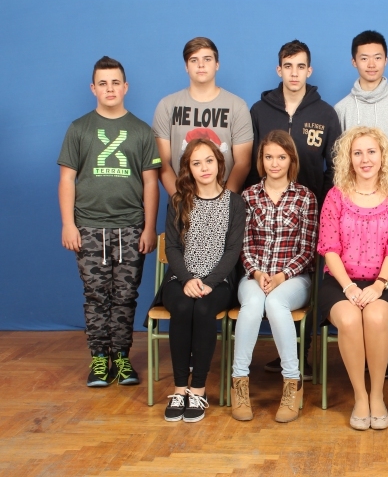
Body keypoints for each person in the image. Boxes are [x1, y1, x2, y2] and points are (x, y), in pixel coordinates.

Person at [58, 56, 160, 387]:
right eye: (103, 83)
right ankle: (100, 358)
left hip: (130, 227)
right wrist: (68, 224)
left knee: (126, 295)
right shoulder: (79, 128)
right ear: (93, 88)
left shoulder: (141, 131)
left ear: (125, 86)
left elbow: (150, 183)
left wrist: (148, 227)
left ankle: (122, 357)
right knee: (96, 295)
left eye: (115, 82)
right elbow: (67, 179)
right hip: (89, 226)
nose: (110, 88)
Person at [244, 39, 341, 380]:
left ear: (309, 70)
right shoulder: (260, 110)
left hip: (311, 213)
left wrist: (326, 208)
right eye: (288, 66)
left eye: (301, 66)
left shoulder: (325, 113)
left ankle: (303, 353)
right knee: (271, 286)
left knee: (306, 283)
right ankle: (284, 355)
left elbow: (335, 167)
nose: (294, 73)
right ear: (279, 70)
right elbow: (250, 163)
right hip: (267, 214)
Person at [317, 126, 388, 431]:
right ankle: (360, 396)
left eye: (371, 152)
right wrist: (348, 287)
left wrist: (379, 284)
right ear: (349, 159)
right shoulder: (335, 196)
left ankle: (377, 395)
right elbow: (329, 248)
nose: (365, 159)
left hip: (383, 282)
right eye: (357, 153)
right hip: (340, 281)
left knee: (374, 317)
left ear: (383, 156)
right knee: (349, 319)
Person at [230, 130, 318, 423]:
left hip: (294, 279)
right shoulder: (249, 196)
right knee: (254, 303)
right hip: (254, 276)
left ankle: (292, 383)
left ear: (291, 159)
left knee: (276, 302)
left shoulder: (305, 197)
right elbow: (244, 245)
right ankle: (239, 383)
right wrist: (257, 273)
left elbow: (307, 250)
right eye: (269, 157)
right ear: (261, 160)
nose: (275, 163)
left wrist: (281, 276)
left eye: (281, 157)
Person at [158, 139, 244, 423]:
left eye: (209, 161)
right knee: (183, 307)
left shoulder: (234, 202)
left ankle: (198, 389)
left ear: (219, 163)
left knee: (204, 309)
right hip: (180, 278)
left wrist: (210, 281)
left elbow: (233, 250)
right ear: (188, 168)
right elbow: (172, 247)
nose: (204, 168)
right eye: (196, 163)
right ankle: (179, 388)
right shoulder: (179, 201)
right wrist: (186, 279)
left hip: (218, 281)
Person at [153, 37, 253, 195]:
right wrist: (180, 200)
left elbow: (243, 163)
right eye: (194, 60)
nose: (201, 65)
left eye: (207, 59)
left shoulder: (237, 106)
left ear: (217, 64)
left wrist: (223, 202)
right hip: (182, 197)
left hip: (224, 197)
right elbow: (162, 163)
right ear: (186, 66)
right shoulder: (167, 106)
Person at [334, 30, 388, 172]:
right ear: (354, 62)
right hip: (353, 186)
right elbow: (339, 161)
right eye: (364, 58)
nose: (371, 64)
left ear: (386, 60)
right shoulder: (342, 109)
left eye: (377, 58)